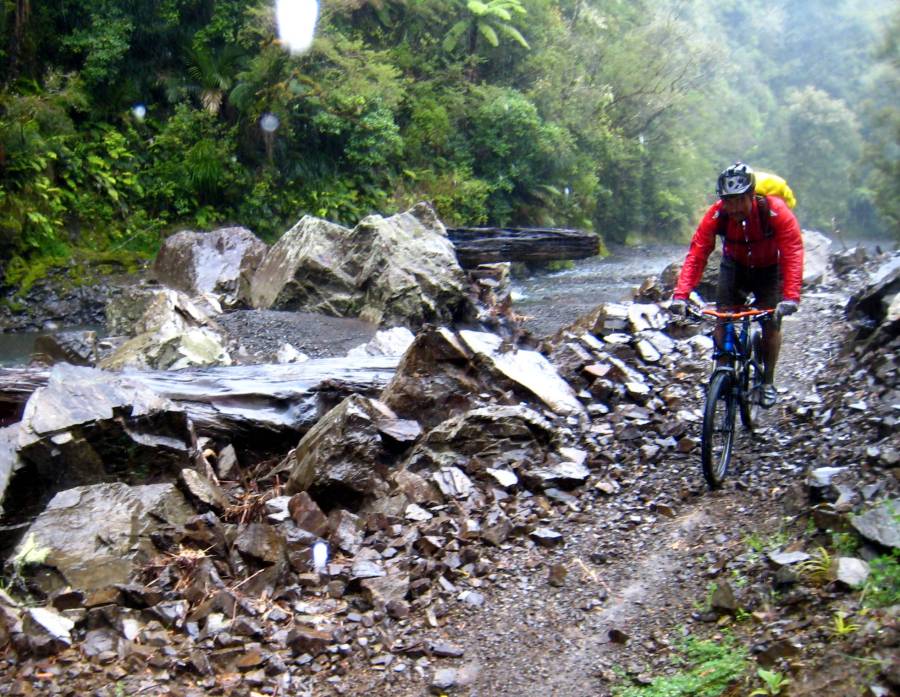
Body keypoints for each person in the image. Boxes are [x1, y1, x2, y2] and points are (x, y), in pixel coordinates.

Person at [669, 162, 804, 408]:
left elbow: (792, 251)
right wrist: (681, 295)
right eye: (728, 201)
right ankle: (723, 368)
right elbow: (697, 253)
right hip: (735, 265)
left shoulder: (775, 211)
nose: (733, 208)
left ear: (752, 196)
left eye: (740, 200)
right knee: (723, 317)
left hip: (769, 269)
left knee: (771, 322)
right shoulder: (717, 214)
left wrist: (791, 297)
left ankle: (767, 382)